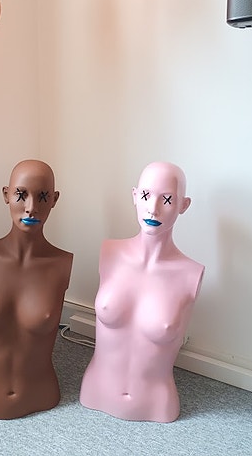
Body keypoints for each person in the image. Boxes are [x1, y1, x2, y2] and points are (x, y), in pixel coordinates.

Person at [79, 161, 204, 423]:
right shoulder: (110, 254)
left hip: (157, 403)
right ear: (135, 196)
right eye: (146, 195)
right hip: (94, 390)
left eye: (167, 199)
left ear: (184, 205)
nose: (153, 208)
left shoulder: (190, 273)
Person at [0, 159, 73, 420]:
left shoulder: (61, 263)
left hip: (41, 393)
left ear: (54, 199)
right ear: (6, 195)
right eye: (21, 195)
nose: (31, 207)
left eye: (42, 197)